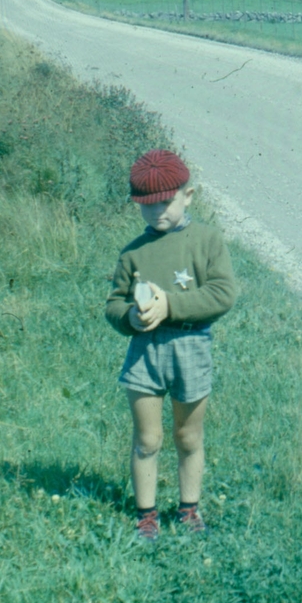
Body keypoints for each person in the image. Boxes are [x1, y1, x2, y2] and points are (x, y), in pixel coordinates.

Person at [106, 150, 237, 541]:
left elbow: (223, 293)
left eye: (167, 202)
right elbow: (113, 304)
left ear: (189, 195)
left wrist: (171, 305)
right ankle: (147, 516)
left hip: (191, 348)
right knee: (147, 439)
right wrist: (129, 317)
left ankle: (188, 510)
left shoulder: (208, 240)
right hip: (145, 353)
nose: (158, 212)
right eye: (147, 207)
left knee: (188, 437)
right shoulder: (133, 252)